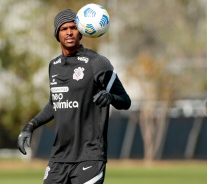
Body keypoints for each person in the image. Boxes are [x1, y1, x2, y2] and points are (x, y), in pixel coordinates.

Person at [18, 9, 131, 184]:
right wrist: (31, 125)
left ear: (81, 31)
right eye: (64, 29)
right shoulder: (53, 65)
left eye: (73, 27)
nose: (69, 32)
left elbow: (125, 101)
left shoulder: (98, 63)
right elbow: (54, 103)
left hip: (90, 155)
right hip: (59, 156)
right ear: (57, 34)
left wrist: (110, 97)